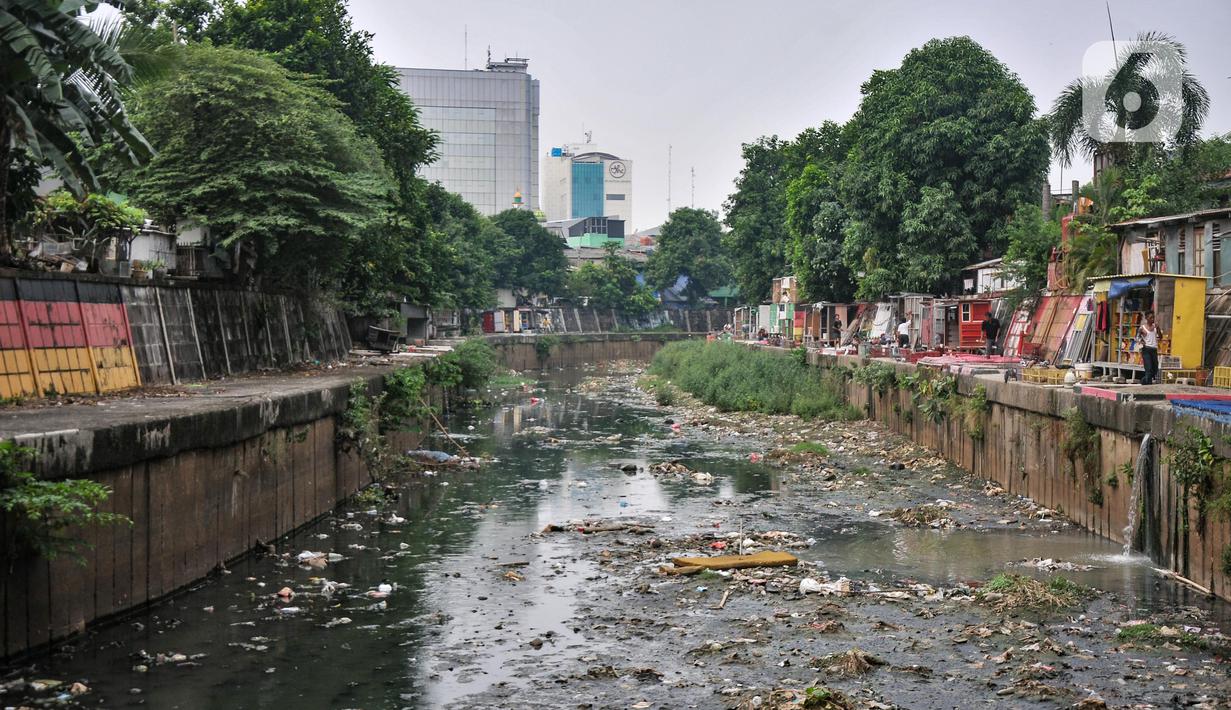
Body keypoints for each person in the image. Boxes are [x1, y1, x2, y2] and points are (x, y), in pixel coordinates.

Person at [1138, 312, 1162, 385]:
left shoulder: (1155, 327)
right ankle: (1148, 384)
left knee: (1155, 368)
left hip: (1154, 350)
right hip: (1146, 350)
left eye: (1153, 317)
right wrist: (1141, 341)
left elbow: (1160, 337)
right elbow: (1137, 337)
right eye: (1151, 318)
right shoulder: (1142, 328)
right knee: (1149, 368)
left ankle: (1143, 381)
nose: (1152, 319)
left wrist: (1158, 328)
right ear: (1146, 318)